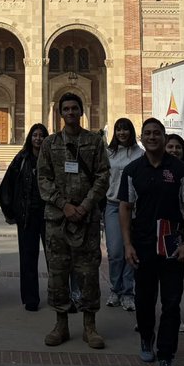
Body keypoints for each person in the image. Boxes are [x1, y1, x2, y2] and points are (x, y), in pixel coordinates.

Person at [119, 118, 184, 366]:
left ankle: (166, 356)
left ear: (165, 137)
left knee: (172, 302)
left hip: (172, 243)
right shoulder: (132, 170)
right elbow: (125, 208)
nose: (152, 137)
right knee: (144, 299)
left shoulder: (180, 170)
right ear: (141, 138)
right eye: (148, 133)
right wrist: (127, 244)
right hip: (143, 243)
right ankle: (145, 336)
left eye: (157, 133)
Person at [37, 92, 110, 349]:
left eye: (74, 108)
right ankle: (61, 325)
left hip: (87, 219)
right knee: (58, 272)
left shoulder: (94, 142)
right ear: (60, 113)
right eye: (66, 109)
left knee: (88, 272)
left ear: (81, 111)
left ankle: (90, 327)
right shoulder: (49, 144)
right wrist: (63, 204)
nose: (70, 112)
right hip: (57, 219)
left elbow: (103, 176)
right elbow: (43, 179)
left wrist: (85, 205)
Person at [0, 123, 49, 312]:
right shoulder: (21, 158)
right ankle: (31, 298)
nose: (38, 138)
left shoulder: (51, 158)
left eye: (41, 135)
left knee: (54, 258)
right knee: (28, 257)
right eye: (35, 135)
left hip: (48, 215)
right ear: (30, 138)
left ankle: (57, 294)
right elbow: (7, 185)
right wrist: (9, 211)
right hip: (27, 214)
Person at [105, 118, 143, 313]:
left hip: (134, 206)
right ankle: (115, 289)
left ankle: (128, 292)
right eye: (119, 130)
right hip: (112, 205)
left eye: (125, 129)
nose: (122, 133)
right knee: (115, 252)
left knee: (131, 251)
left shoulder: (140, 154)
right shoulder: (108, 153)